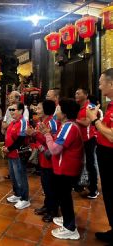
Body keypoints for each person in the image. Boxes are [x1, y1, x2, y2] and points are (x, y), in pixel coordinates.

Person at [40, 99, 83, 240]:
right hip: (64, 168)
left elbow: (55, 149)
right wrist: (49, 133)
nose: (56, 112)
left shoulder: (69, 127)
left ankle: (70, 228)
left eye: (58, 109)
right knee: (63, 196)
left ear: (64, 113)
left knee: (65, 197)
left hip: (66, 168)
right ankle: (66, 218)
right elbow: (59, 141)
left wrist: (47, 135)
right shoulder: (66, 126)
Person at [87, 68, 113, 245]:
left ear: (111, 84)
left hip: (111, 156)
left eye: (101, 82)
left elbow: (111, 135)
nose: (99, 85)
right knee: (109, 194)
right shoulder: (110, 105)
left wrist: (94, 120)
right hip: (105, 154)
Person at [27, 100, 59, 222]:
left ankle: (53, 210)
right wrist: (33, 135)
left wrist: (35, 134)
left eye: (39, 108)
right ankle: (47, 206)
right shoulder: (42, 122)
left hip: (50, 160)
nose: (37, 110)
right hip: (43, 157)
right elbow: (39, 139)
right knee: (45, 185)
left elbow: (52, 141)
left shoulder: (52, 122)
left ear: (46, 110)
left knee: (51, 186)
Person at [3, 102, 30, 210]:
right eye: (10, 110)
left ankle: (25, 199)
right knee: (13, 176)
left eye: (13, 110)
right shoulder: (13, 122)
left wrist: (9, 148)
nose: (11, 112)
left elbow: (21, 139)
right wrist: (5, 147)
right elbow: (8, 137)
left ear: (20, 111)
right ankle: (17, 194)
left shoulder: (23, 122)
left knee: (20, 176)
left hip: (18, 154)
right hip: (10, 154)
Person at [75, 88, 99, 199]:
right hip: (80, 139)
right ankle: (79, 185)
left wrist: (75, 120)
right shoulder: (78, 107)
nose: (76, 95)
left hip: (89, 139)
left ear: (86, 95)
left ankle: (94, 189)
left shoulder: (90, 107)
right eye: (75, 93)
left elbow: (86, 122)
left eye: (78, 93)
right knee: (78, 162)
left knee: (90, 164)